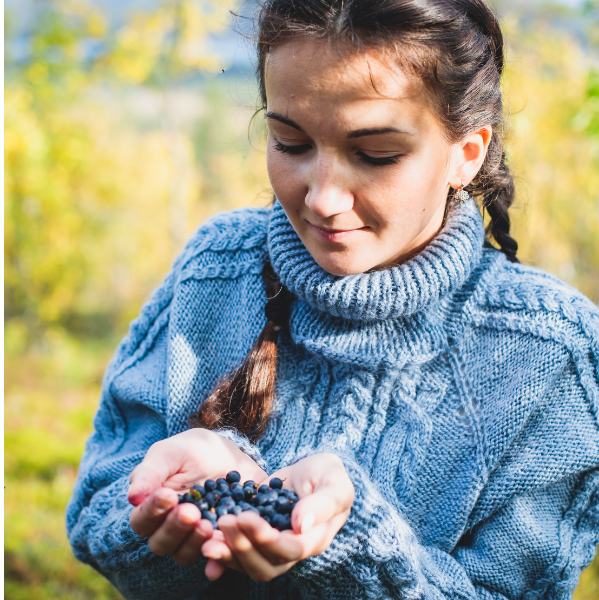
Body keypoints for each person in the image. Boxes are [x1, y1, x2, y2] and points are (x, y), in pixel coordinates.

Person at [66, 0, 599, 597]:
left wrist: (353, 545)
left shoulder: (553, 352)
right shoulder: (215, 271)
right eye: (290, 143)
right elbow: (96, 513)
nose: (322, 198)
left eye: (375, 155)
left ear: (466, 153)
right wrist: (176, 502)